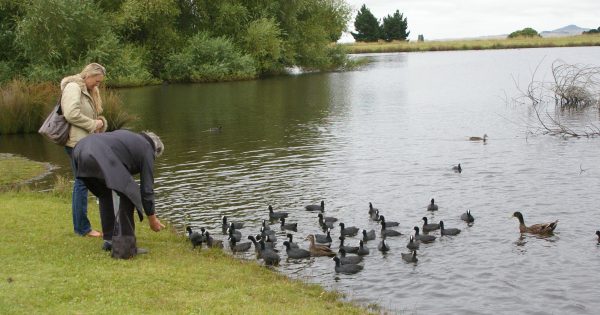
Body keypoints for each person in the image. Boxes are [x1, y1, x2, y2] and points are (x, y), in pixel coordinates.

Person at [72, 129, 166, 253]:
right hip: (97, 154)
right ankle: (125, 247)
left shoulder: (129, 138)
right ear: (156, 151)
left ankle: (110, 241)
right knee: (129, 194)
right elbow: (147, 189)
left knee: (104, 194)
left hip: (79, 150)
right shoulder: (147, 149)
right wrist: (152, 219)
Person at [61, 63, 108, 237]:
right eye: (96, 81)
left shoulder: (88, 91)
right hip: (76, 144)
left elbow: (91, 115)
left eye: (99, 83)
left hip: (85, 143)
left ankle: (82, 226)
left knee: (84, 182)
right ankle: (82, 228)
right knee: (82, 183)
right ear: (87, 75)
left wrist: (100, 122)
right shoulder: (73, 87)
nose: (97, 85)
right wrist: (93, 124)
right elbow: (71, 114)